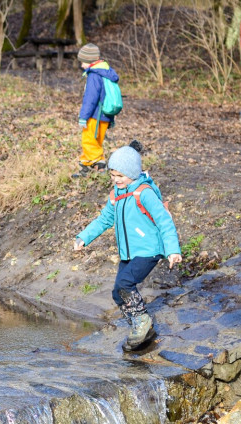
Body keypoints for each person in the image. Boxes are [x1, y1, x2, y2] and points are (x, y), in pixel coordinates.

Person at [73, 144, 182, 352]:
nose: (116, 179)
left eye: (120, 175)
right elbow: (104, 219)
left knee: (125, 283)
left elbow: (164, 222)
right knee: (117, 293)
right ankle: (141, 329)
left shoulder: (144, 193)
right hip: (128, 253)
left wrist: (172, 250)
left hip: (148, 250)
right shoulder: (117, 195)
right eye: (113, 175)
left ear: (132, 173)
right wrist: (83, 237)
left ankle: (142, 322)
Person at [73, 43, 120, 178]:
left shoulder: (94, 75)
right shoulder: (107, 71)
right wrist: (111, 119)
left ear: (90, 61)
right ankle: (86, 167)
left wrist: (83, 116)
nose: (81, 65)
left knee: (88, 141)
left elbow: (90, 99)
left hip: (94, 115)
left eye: (83, 62)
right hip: (105, 115)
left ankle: (100, 165)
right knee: (96, 141)